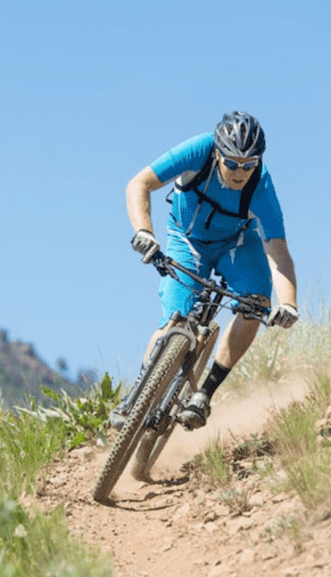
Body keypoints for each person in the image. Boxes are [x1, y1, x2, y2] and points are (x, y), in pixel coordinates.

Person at [113, 111, 298, 430]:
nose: (241, 172)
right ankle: (138, 395)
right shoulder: (198, 150)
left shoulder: (261, 186)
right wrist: (144, 231)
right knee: (174, 317)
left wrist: (288, 304)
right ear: (217, 153)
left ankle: (204, 394)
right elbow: (138, 184)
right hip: (188, 239)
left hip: (237, 245)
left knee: (255, 304)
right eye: (233, 163)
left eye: (249, 164)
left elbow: (278, 252)